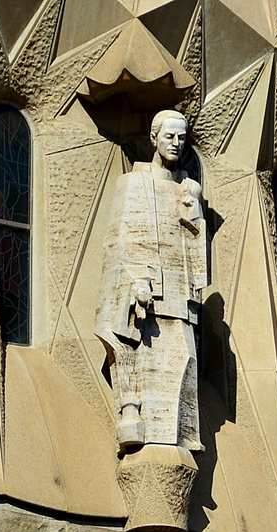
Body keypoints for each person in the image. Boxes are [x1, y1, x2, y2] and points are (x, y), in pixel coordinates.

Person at [95, 109, 207, 452]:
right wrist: (135, 281)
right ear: (154, 139)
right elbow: (121, 241)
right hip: (146, 294)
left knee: (182, 362)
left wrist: (193, 216)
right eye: (169, 137)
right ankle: (133, 416)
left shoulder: (190, 188)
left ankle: (182, 437)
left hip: (181, 296)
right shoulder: (132, 182)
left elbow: (198, 251)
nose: (176, 144)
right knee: (143, 360)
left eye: (182, 138)